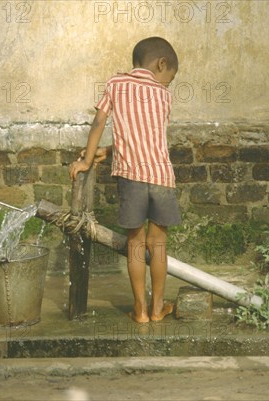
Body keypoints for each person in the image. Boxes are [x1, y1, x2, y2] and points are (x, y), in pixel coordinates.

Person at [69, 37, 181, 323]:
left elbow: (99, 124)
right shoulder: (164, 96)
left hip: (131, 176)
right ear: (161, 64)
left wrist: (88, 159)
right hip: (161, 177)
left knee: (135, 243)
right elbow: (149, 137)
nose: (167, 84)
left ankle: (140, 311)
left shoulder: (116, 85)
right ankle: (158, 309)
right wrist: (108, 151)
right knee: (157, 245)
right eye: (169, 78)